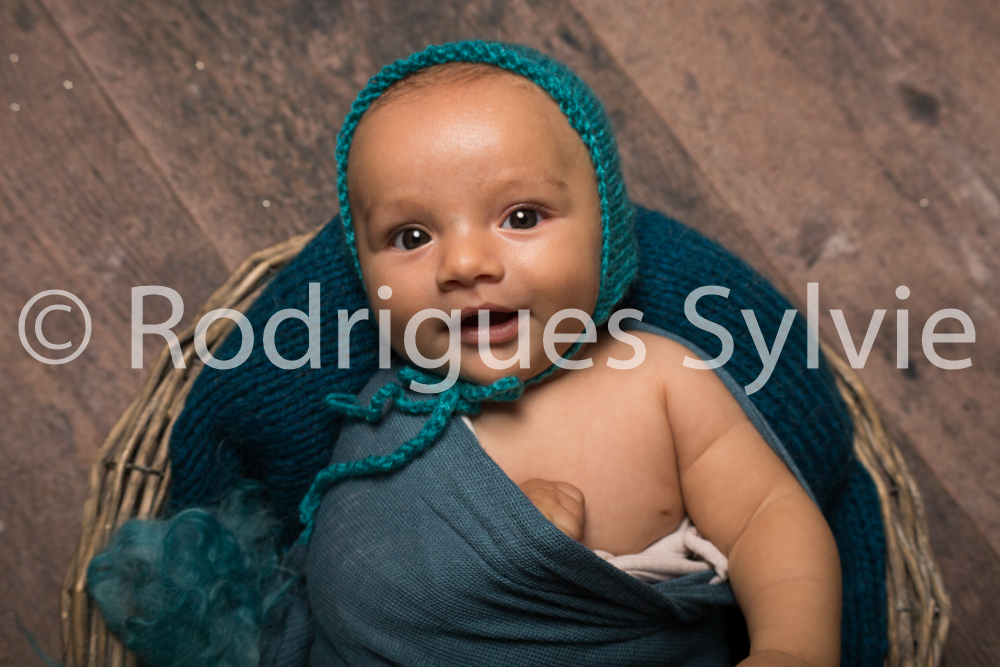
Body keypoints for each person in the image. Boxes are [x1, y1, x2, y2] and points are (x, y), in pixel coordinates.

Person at [287, 44, 840, 667]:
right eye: (411, 236)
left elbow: (767, 516)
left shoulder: (657, 380)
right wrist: (484, 562)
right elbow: (349, 584)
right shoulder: (385, 421)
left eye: (522, 217)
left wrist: (792, 646)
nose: (464, 264)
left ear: (606, 231)